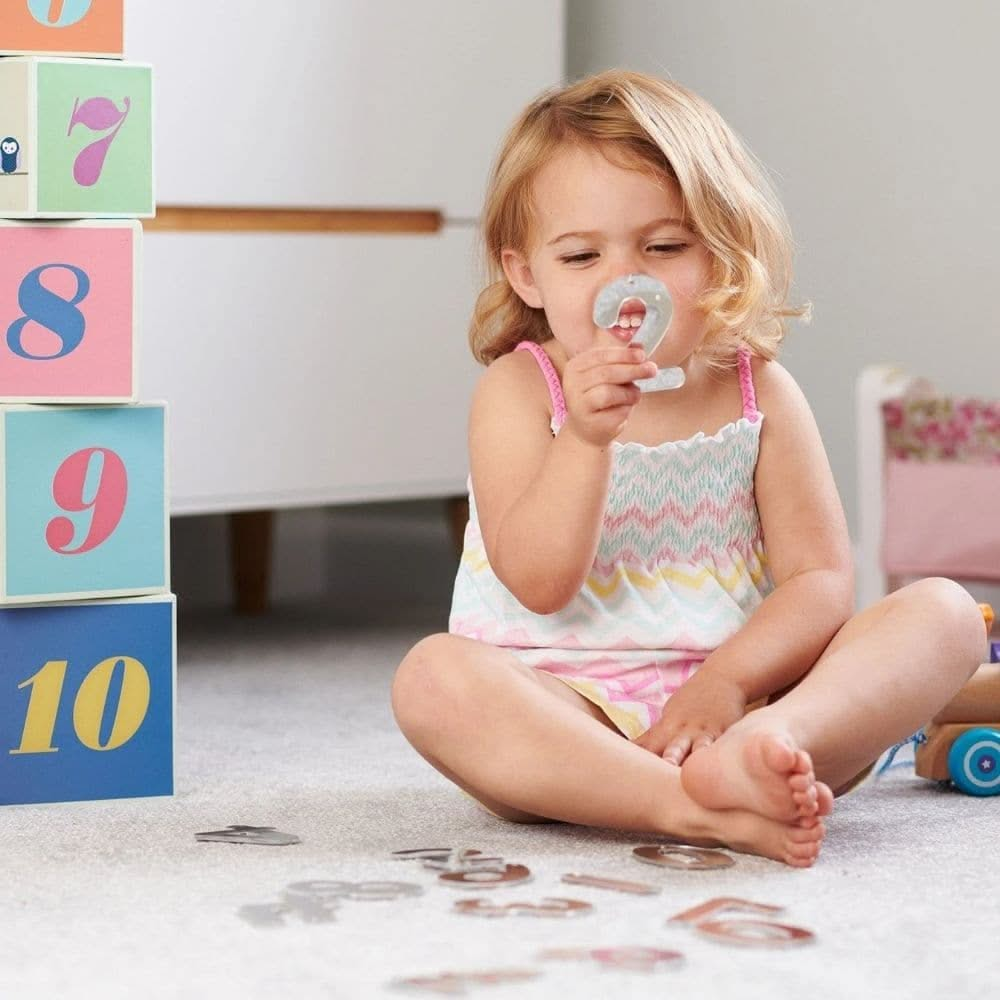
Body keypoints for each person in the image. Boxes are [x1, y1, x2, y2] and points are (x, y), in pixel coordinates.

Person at [390, 69, 986, 867]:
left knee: (945, 615)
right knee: (432, 679)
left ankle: (770, 752)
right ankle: (687, 806)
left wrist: (732, 689)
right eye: (580, 255)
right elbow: (538, 581)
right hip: (569, 715)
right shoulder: (516, 390)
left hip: (742, 702)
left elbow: (818, 581)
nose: (623, 281)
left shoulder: (760, 391)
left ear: (720, 251)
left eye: (664, 247)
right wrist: (587, 441)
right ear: (526, 274)